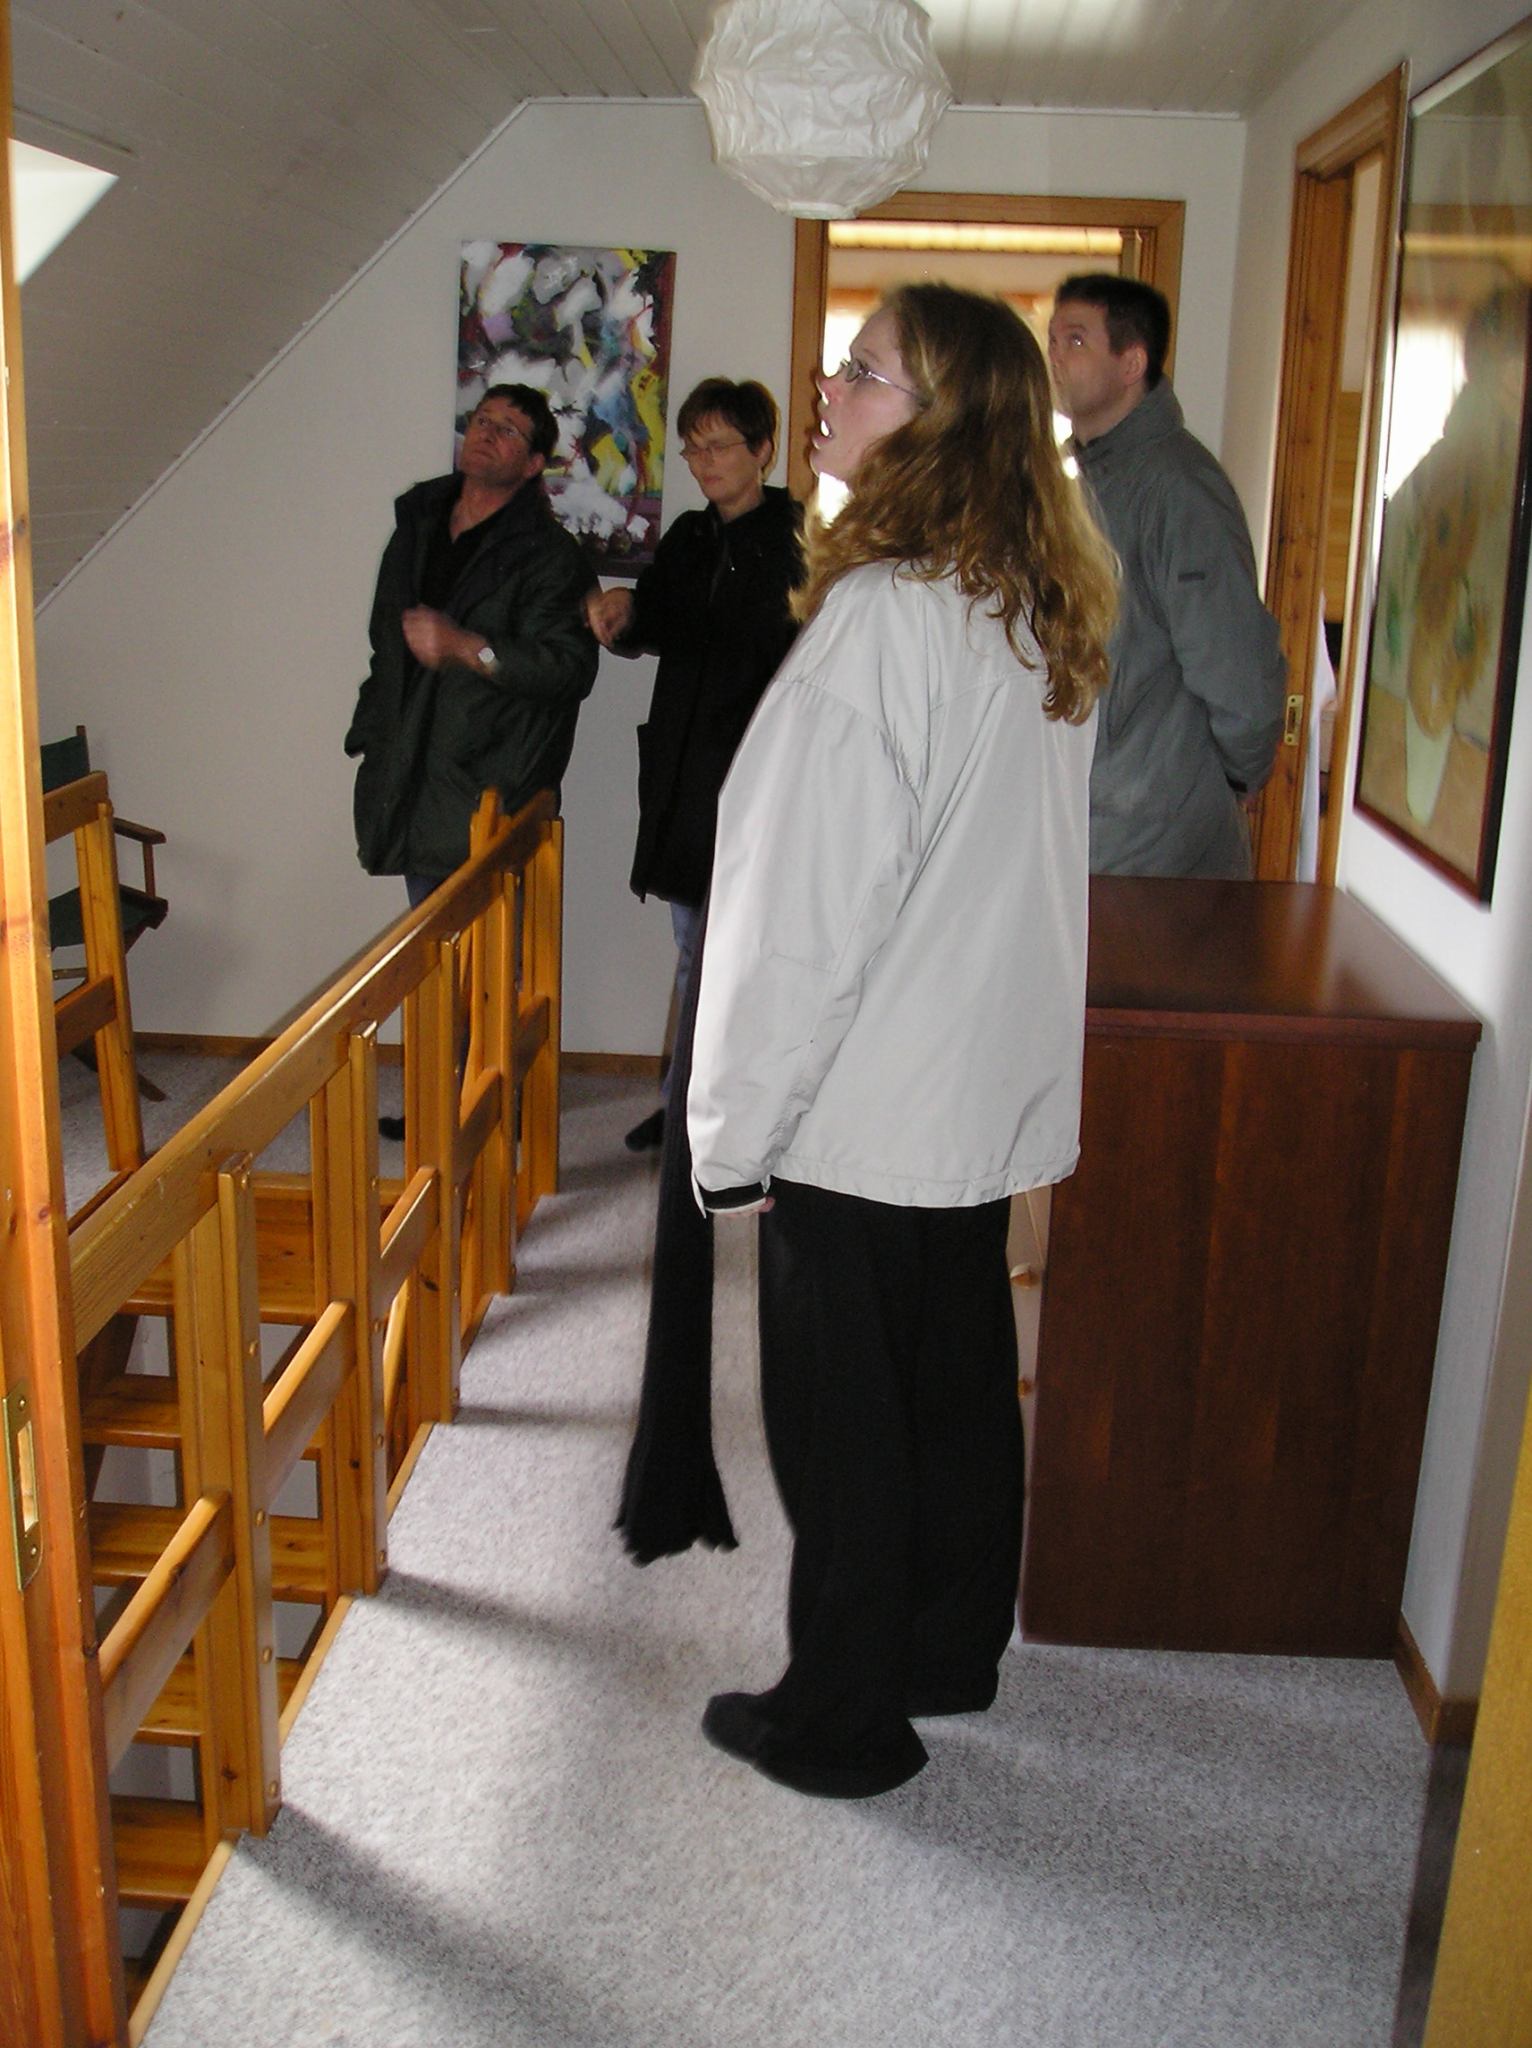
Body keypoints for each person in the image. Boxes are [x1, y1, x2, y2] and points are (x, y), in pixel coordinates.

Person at [685, 283, 1117, 1798]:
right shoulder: (1033, 599)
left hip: (865, 1099)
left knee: (842, 1416)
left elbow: (796, 916)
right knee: (952, 1382)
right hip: (971, 1084)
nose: (828, 386)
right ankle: (945, 1649)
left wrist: (733, 1134)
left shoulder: (884, 615)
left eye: (863, 371)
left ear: (940, 423)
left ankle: (842, 1719)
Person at [587, 378, 803, 1154]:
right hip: (683, 775)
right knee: (694, 952)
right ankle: (685, 1103)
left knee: (741, 960)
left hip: (756, 778)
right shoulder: (687, 537)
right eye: (693, 448)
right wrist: (623, 613)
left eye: (719, 446)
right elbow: (656, 623)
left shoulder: (799, 540)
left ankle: (721, 1111)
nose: (704, 461)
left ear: (763, 450)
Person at [1047, 274, 1285, 878]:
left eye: (1076, 341)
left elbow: (1237, 671)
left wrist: (1234, 779)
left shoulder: (1179, 489)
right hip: (1094, 833)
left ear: (1131, 363)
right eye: (1052, 340)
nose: (1055, 356)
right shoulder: (1087, 485)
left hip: (1156, 851)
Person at [345, 382, 598, 905]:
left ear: (532, 464)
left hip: (491, 793)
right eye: (482, 420)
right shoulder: (417, 526)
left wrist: (468, 647)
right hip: (412, 781)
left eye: (508, 430)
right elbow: (384, 646)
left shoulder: (549, 556)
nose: (487, 434)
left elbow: (568, 669)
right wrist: (373, 732)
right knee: (434, 949)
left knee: (495, 955)